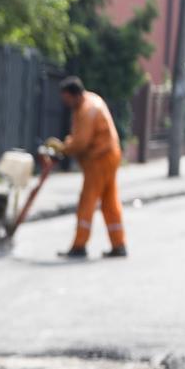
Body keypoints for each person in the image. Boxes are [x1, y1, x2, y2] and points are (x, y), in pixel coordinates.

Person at [49, 76, 127, 259]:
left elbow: (82, 142)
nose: (65, 103)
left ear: (75, 95)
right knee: (109, 201)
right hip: (110, 154)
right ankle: (119, 244)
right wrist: (68, 144)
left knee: (87, 200)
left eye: (67, 99)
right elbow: (79, 136)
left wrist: (63, 148)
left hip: (99, 158)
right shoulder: (91, 101)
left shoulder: (87, 109)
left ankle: (79, 246)